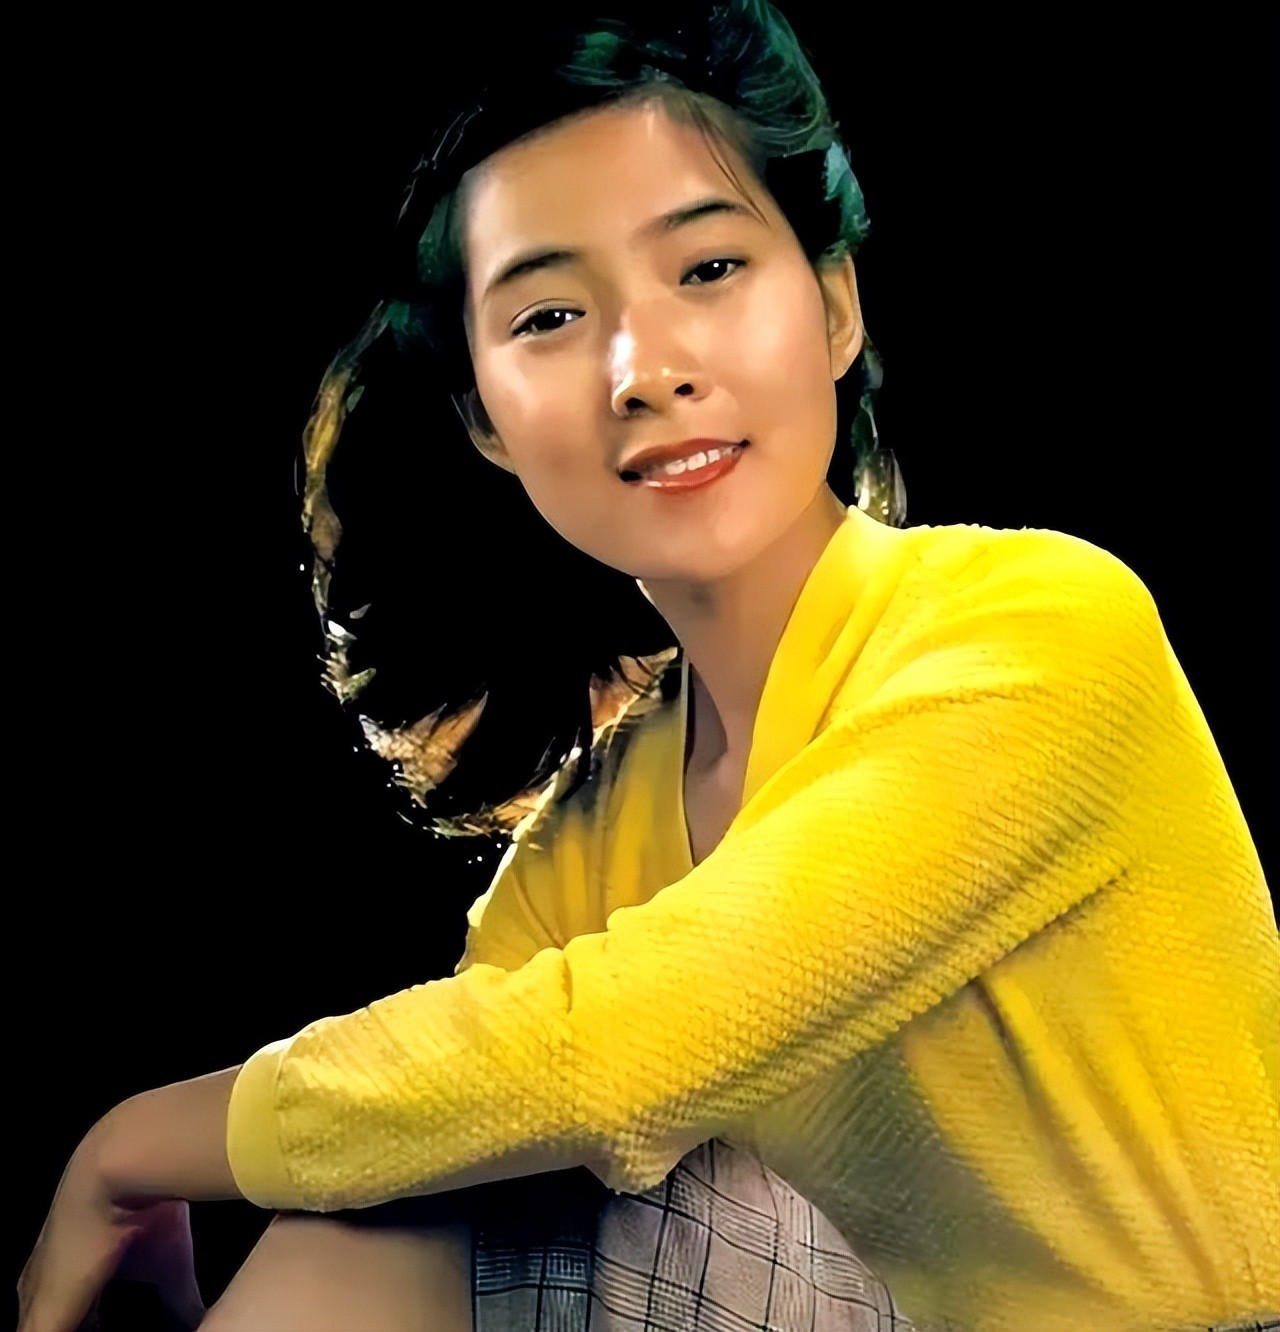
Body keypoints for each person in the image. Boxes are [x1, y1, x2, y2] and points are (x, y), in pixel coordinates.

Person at [17, 3, 1278, 1330]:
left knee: (498, 1136)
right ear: (485, 421)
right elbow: (444, 1097)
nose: (645, 369)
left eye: (709, 268)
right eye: (551, 315)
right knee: (419, 1170)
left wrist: (123, 1150)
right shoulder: (598, 833)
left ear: (833, 308)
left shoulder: (1044, 627)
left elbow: (604, 1059)